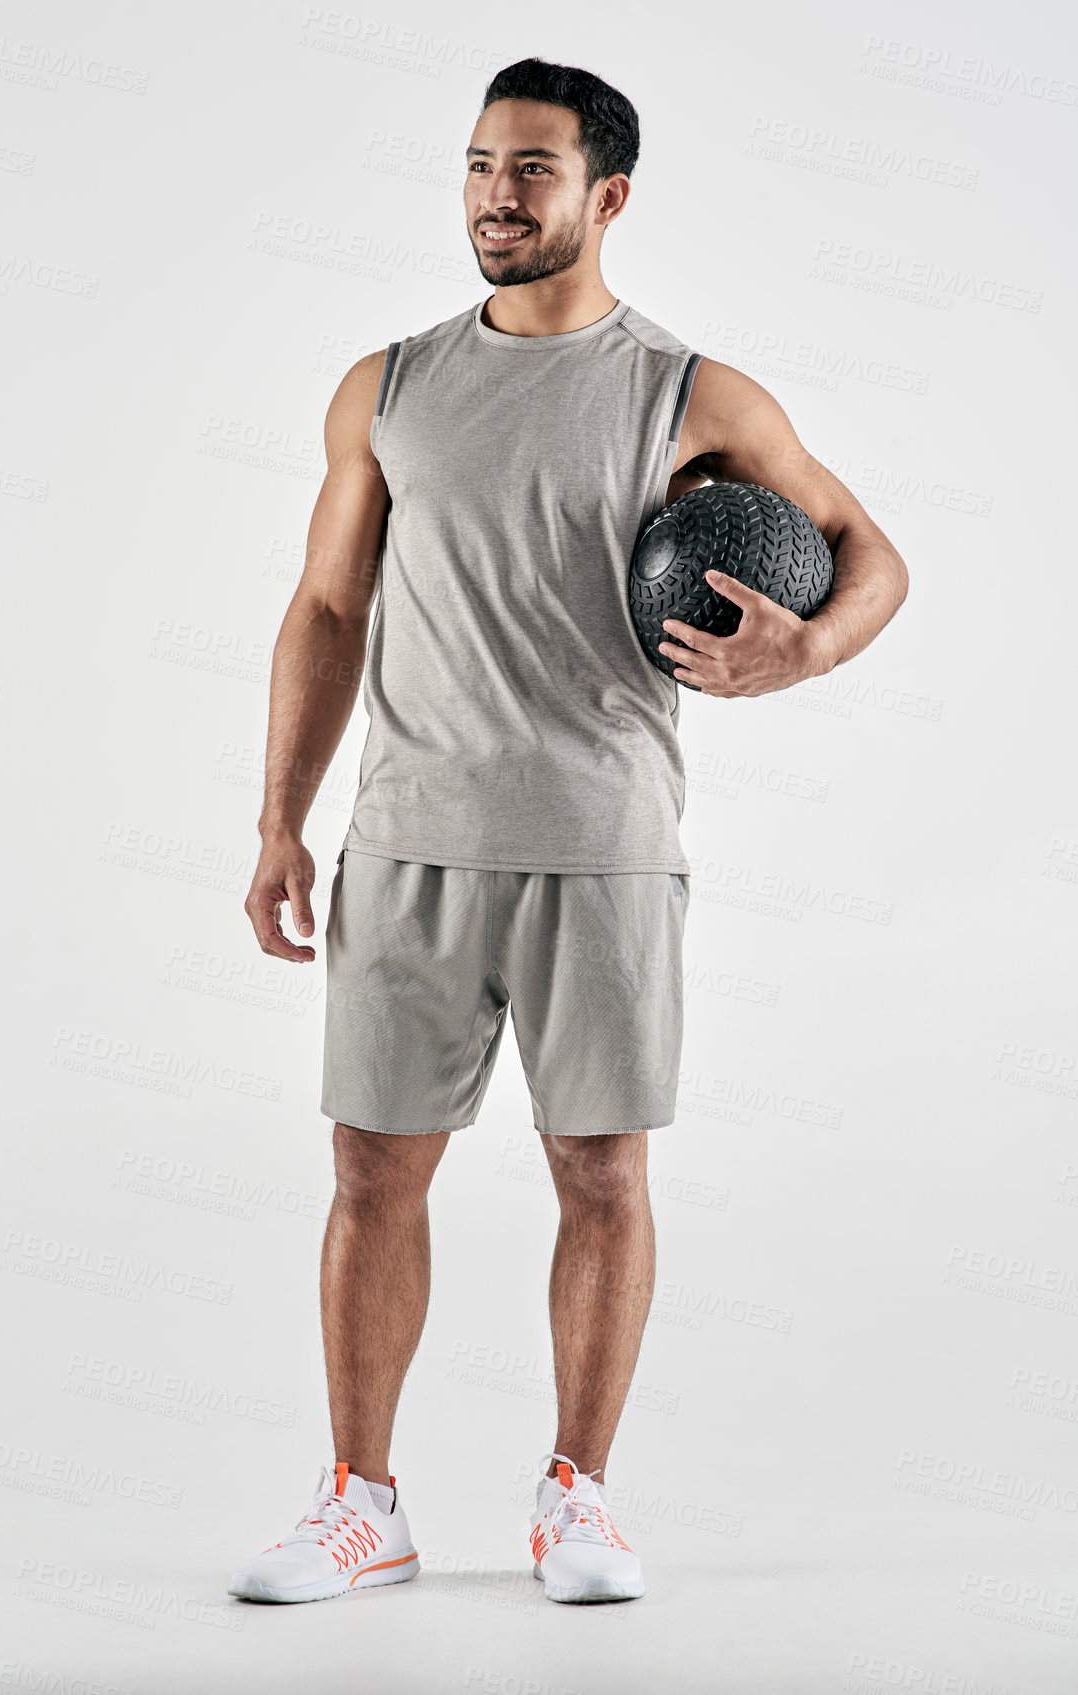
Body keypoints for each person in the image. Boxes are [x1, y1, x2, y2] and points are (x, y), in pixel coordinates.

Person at [231, 55, 908, 1608]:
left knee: (599, 1171)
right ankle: (361, 1503)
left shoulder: (690, 395)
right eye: (478, 164)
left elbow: (873, 555)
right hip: (407, 837)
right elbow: (329, 605)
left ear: (606, 196)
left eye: (532, 170)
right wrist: (279, 820)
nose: (495, 194)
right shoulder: (387, 384)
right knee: (368, 1172)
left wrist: (798, 649)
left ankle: (577, 1499)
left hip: (604, 837)